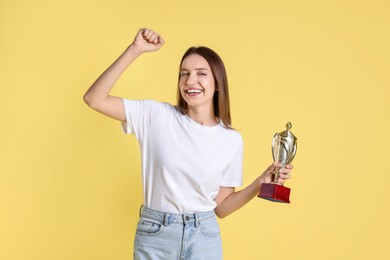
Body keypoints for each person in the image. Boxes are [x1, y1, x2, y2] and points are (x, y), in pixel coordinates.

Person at [84, 28, 293, 260]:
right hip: (156, 235)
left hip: (204, 236)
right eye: (184, 74)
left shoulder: (231, 140)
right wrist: (135, 50)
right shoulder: (156, 115)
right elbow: (94, 99)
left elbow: (221, 208)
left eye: (201, 73)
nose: (190, 81)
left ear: (217, 83)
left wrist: (259, 183)